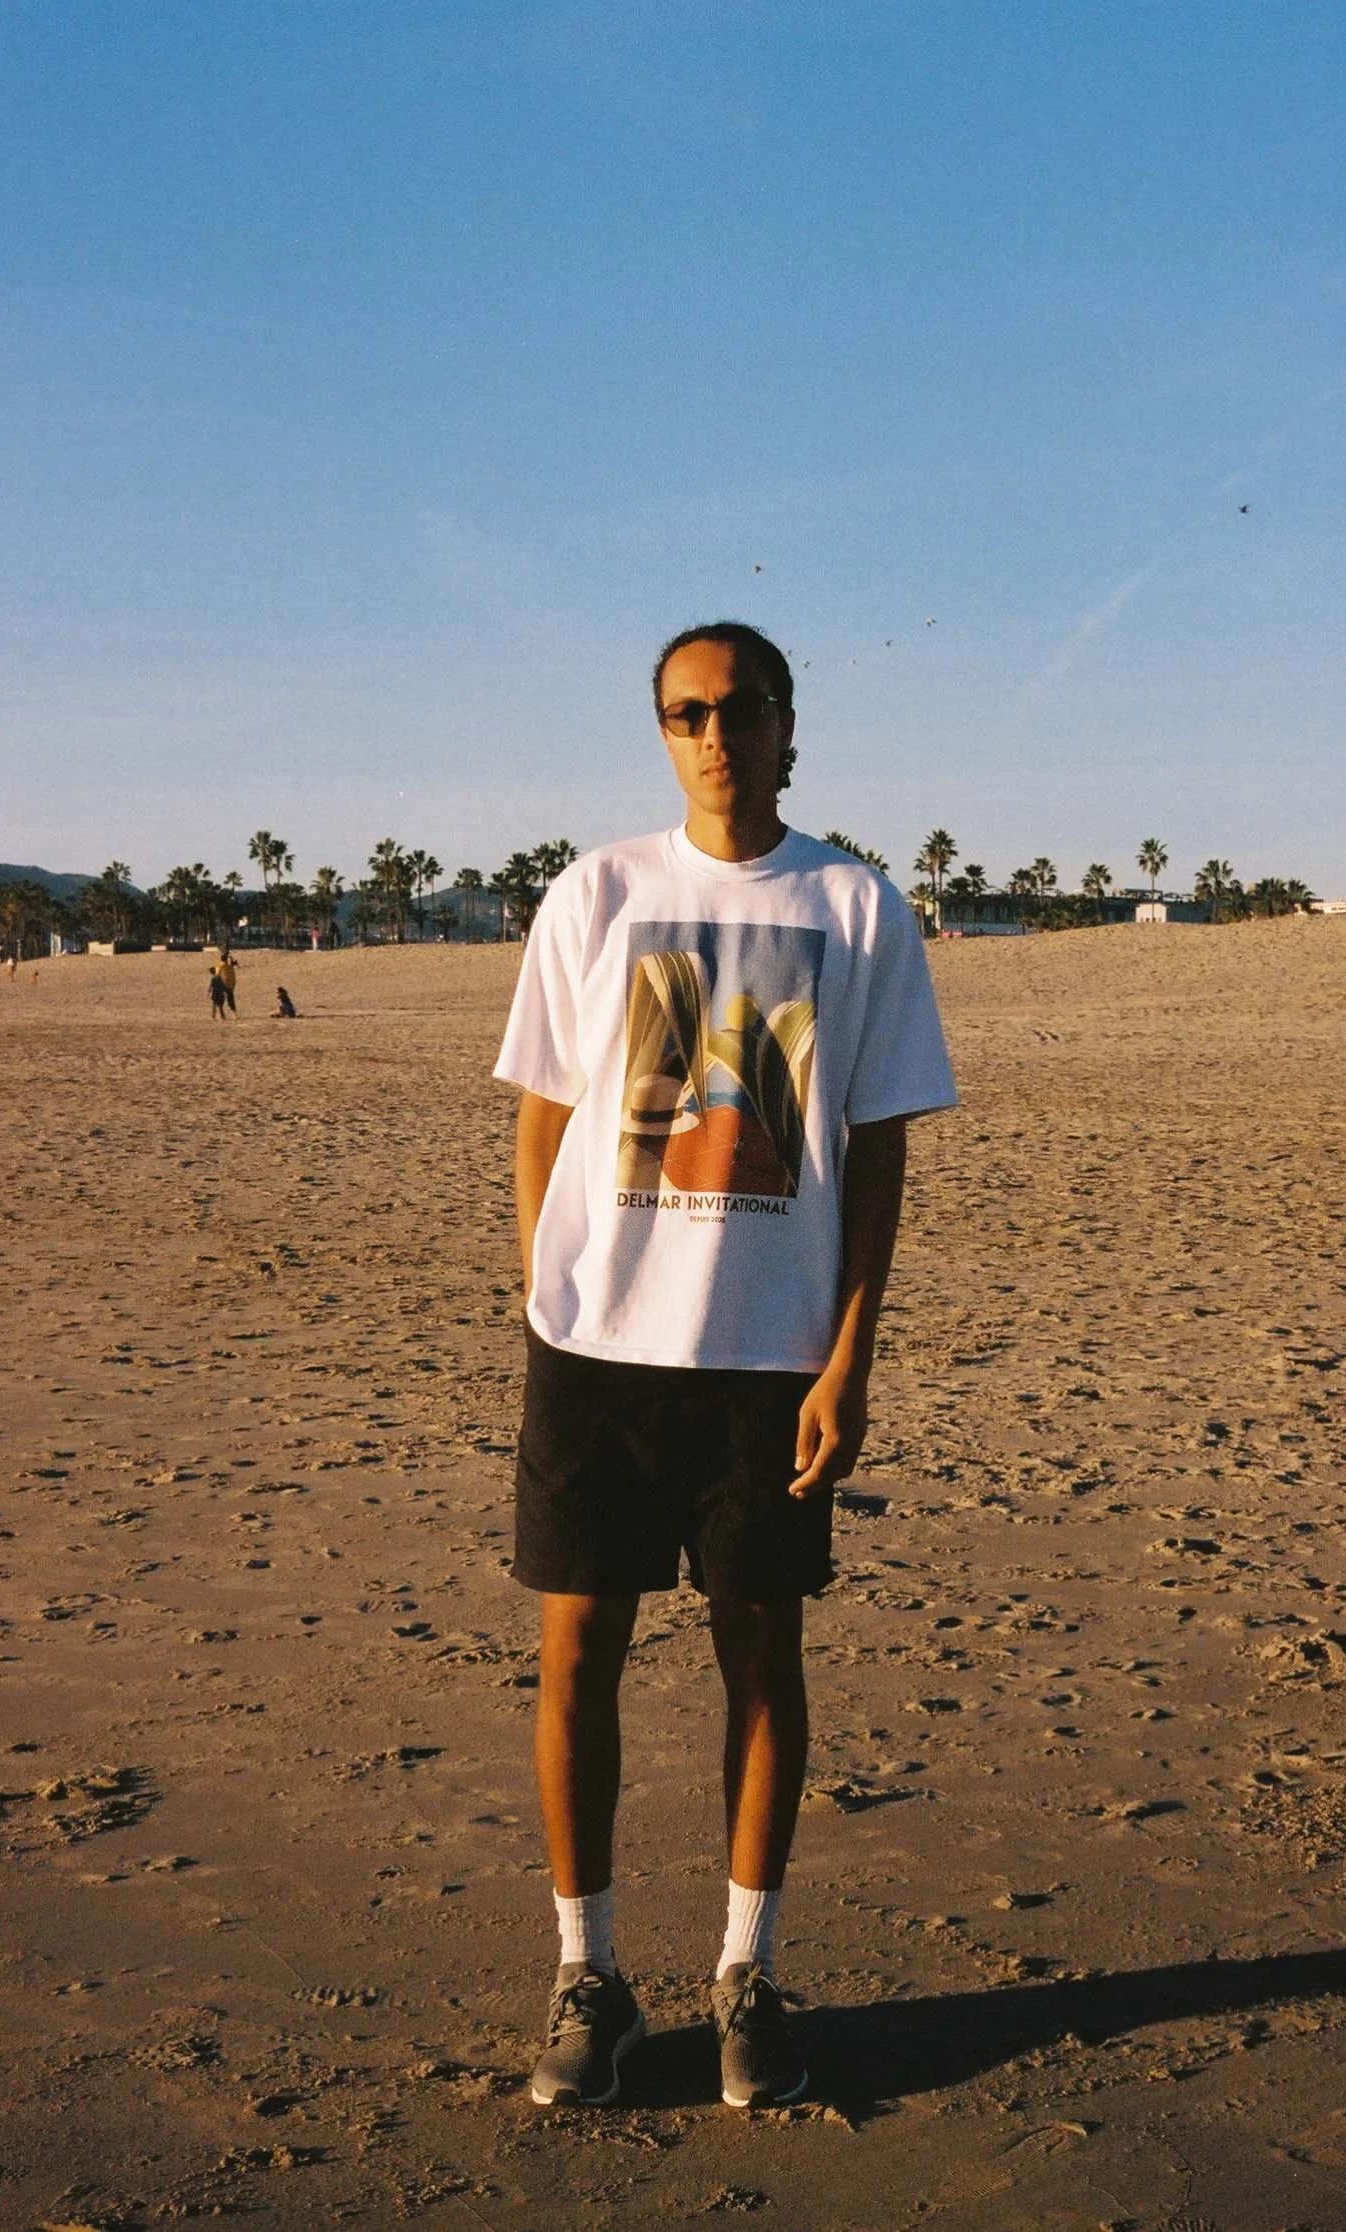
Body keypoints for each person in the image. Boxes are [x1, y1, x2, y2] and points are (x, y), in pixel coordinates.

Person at [494, 621, 956, 2111]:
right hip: (598, 1351)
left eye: (739, 709)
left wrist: (850, 1354)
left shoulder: (856, 905)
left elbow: (876, 1148)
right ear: (664, 733)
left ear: (786, 726)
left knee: (763, 1657)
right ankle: (590, 1976)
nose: (713, 735)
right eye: (686, 714)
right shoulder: (599, 893)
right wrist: (548, 1293)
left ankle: (747, 1971)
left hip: (771, 1360)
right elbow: (546, 1118)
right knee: (578, 1653)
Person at [216, 947, 239, 1013]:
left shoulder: (220, 966)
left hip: (223, 984)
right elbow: (233, 976)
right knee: (231, 999)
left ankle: (220, 1013)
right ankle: (234, 1013)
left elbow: (217, 975)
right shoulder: (230, 967)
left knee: (220, 999)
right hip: (230, 985)